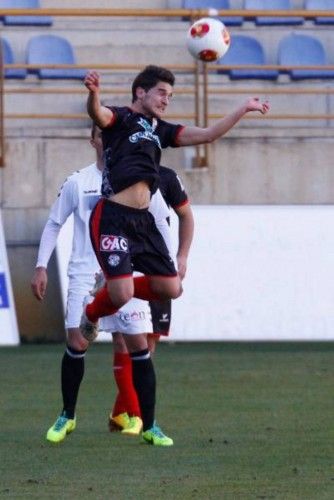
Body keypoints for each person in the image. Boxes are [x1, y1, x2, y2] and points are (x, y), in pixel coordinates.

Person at [81, 64, 269, 443]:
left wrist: (241, 109)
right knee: (121, 295)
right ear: (141, 92)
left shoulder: (161, 131)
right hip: (114, 216)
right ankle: (92, 313)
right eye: (162, 92)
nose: (167, 99)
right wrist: (95, 93)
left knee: (172, 287)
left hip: (143, 224)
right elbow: (97, 115)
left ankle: (108, 297)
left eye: (170, 94)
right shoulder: (121, 117)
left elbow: (209, 134)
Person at [100, 165, 194, 434]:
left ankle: (121, 413)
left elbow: (186, 216)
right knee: (124, 340)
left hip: (158, 269)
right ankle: (137, 416)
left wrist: (182, 257)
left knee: (147, 348)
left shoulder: (167, 177)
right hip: (125, 269)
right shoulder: (116, 177)